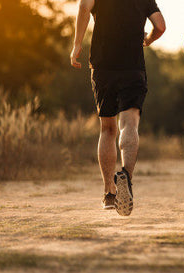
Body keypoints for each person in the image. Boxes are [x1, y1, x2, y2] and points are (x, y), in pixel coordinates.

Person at [70, 0, 165, 216]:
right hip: (133, 67)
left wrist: (77, 44)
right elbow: (160, 26)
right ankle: (126, 178)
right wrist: (148, 39)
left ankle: (109, 194)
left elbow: (84, 6)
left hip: (103, 66)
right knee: (129, 124)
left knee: (107, 130)